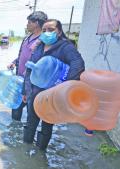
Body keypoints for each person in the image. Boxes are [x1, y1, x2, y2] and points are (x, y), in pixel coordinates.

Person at [22, 19, 85, 151]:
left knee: (47, 125)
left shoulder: (66, 47)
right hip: (35, 93)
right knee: (30, 122)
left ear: (59, 32)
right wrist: (26, 90)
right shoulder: (39, 47)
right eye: (44, 30)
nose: (46, 33)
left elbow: (77, 64)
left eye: (51, 30)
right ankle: (25, 150)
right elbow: (29, 69)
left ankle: (40, 152)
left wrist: (65, 89)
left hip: (53, 96)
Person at [7, 11, 48, 121]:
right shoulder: (26, 38)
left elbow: (45, 62)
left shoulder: (44, 40)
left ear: (37, 23)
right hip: (20, 81)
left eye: (29, 22)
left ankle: (27, 135)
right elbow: (22, 56)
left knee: (32, 114)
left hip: (33, 84)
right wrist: (14, 62)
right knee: (15, 109)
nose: (27, 24)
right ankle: (14, 132)